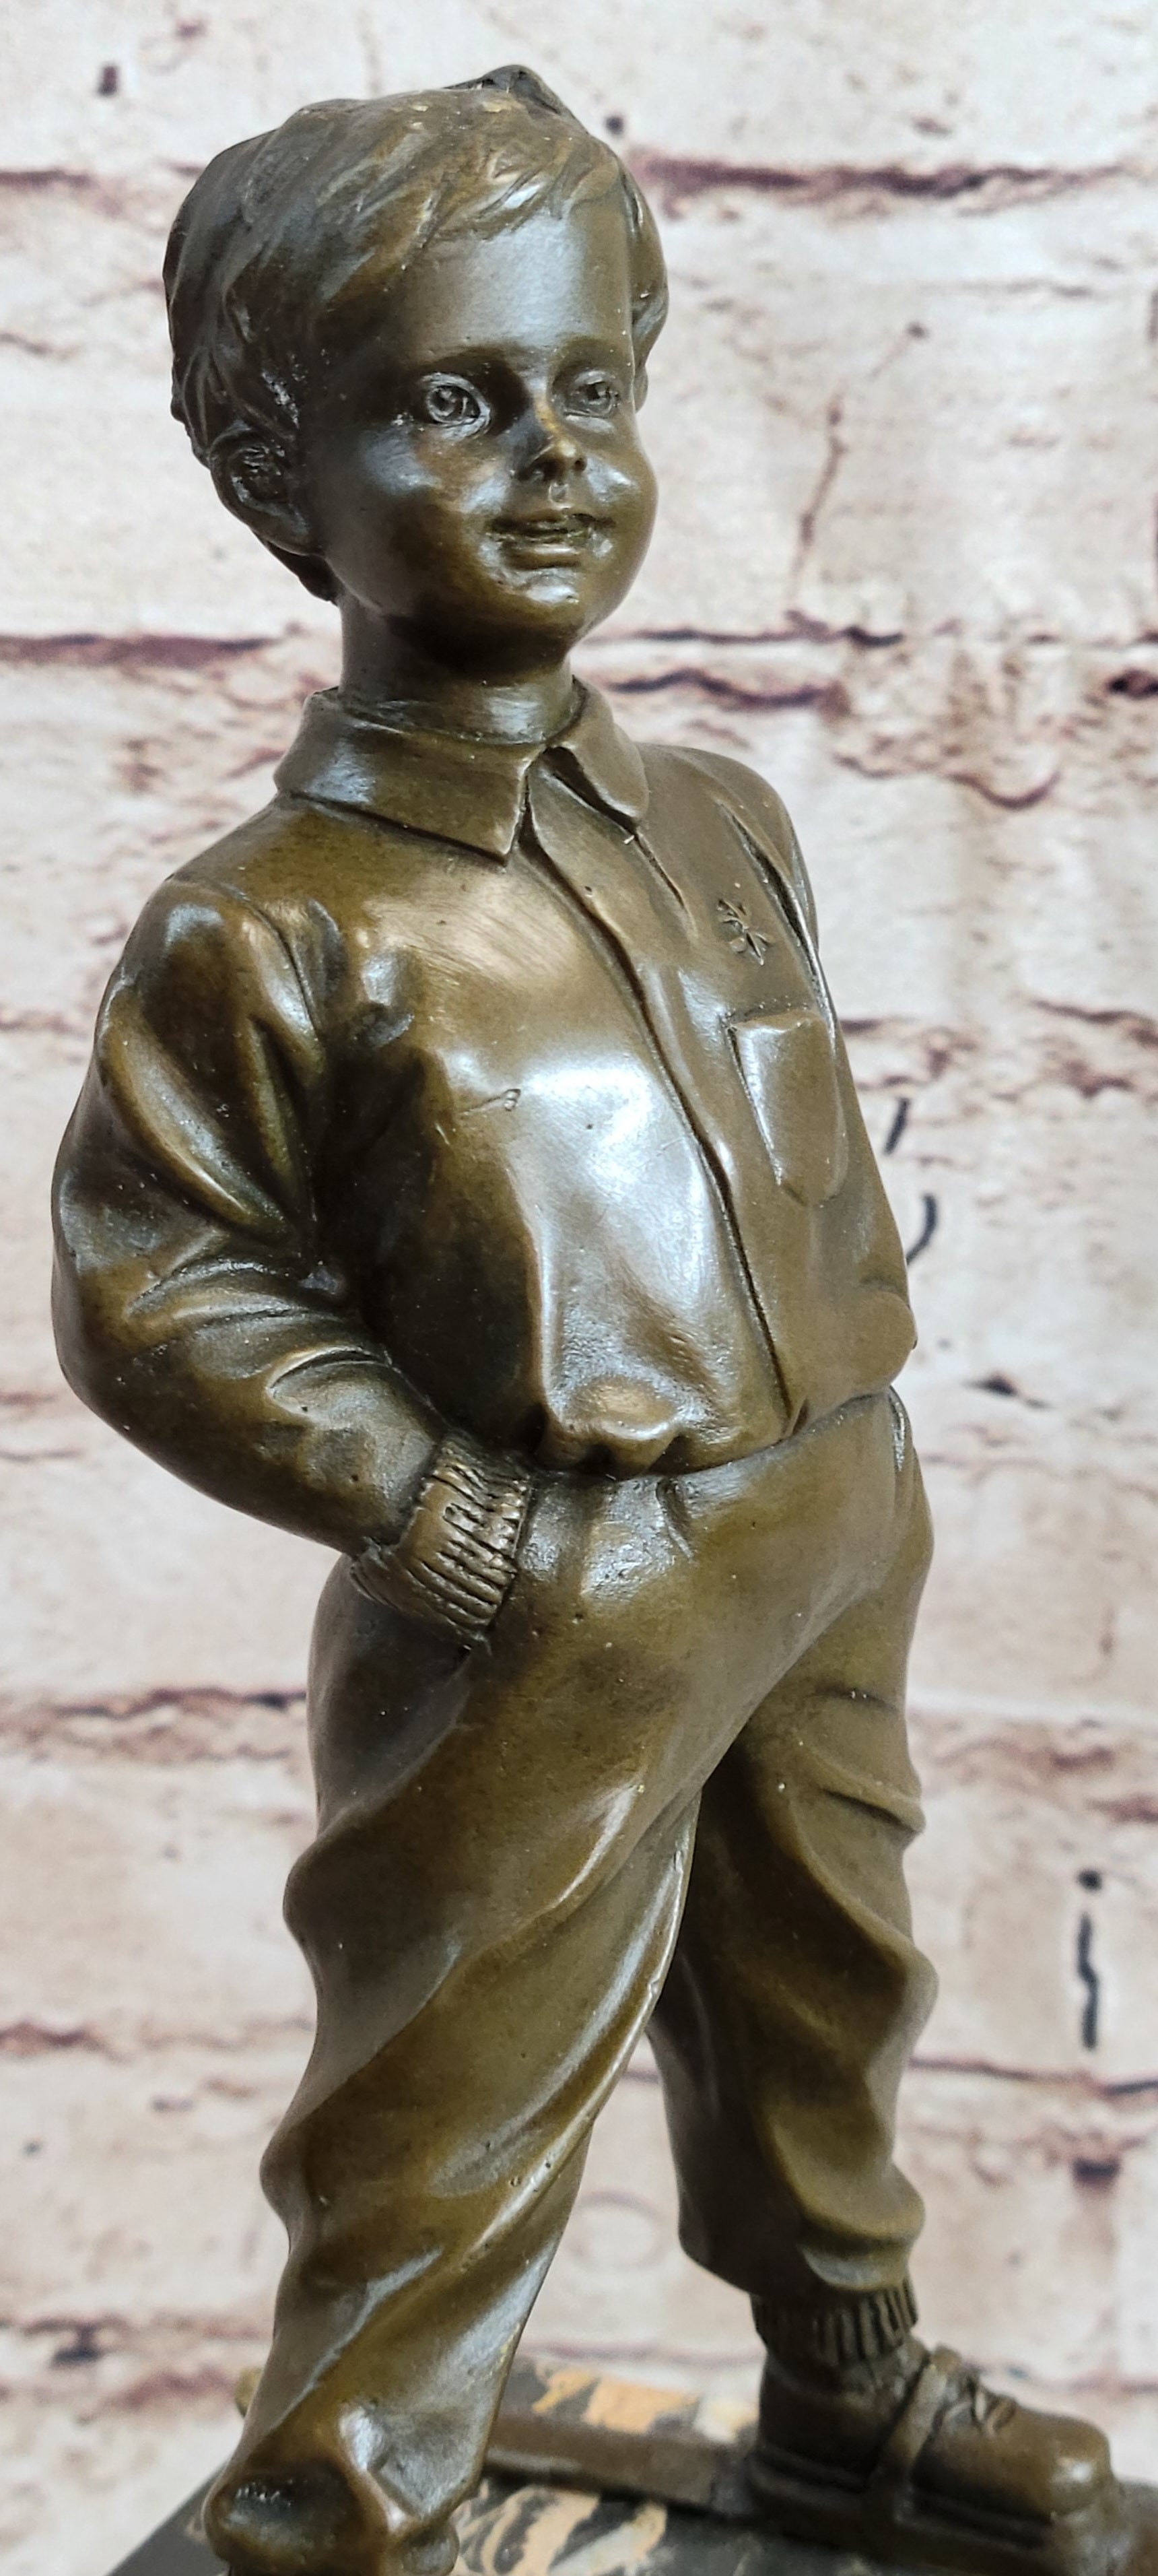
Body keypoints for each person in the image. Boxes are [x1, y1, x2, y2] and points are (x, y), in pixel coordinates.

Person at [53, 64, 1125, 2576]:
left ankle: (845, 2388)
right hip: (554, 1582)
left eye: (590, 388)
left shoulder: (727, 820)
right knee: (458, 2067)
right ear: (280, 474)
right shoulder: (268, 923)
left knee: (826, 1981)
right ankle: (340, 2509)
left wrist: (851, 1465)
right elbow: (149, 1280)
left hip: (828, 1517)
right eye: (455, 401)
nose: (551, 458)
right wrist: (440, 1511)